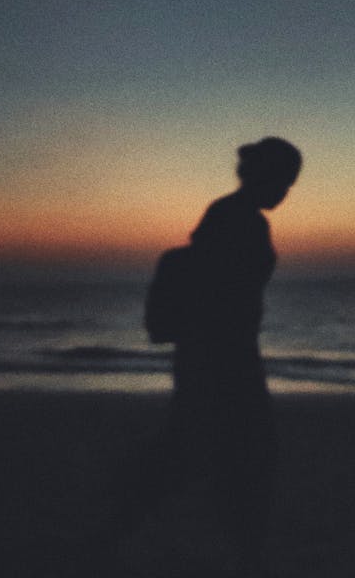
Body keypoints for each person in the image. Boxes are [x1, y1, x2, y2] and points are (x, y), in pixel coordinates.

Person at [144, 136, 302, 576]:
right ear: (265, 176)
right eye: (285, 181)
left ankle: (235, 547)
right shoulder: (240, 221)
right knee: (244, 454)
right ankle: (243, 552)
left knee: (202, 449)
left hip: (213, 356)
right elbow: (223, 296)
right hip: (223, 359)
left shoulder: (231, 216)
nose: (286, 192)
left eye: (291, 183)